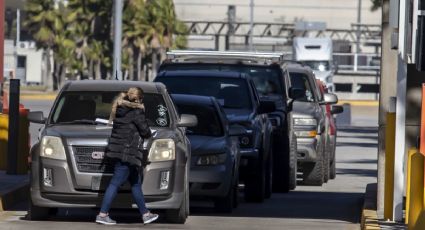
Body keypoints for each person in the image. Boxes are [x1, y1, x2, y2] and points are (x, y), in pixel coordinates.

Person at [96, 87, 159, 225]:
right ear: (138, 99)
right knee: (115, 183)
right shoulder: (137, 112)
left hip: (118, 151)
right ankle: (102, 214)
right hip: (127, 153)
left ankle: (145, 214)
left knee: (135, 183)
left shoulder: (120, 109)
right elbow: (145, 131)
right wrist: (150, 133)